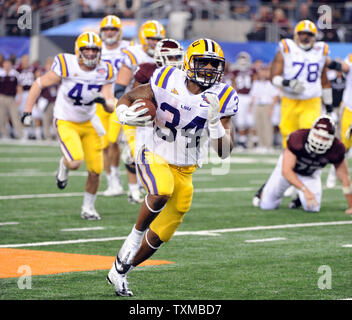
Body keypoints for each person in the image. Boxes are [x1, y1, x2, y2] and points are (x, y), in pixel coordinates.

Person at [106, 38, 239, 297]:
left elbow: (224, 152)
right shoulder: (167, 77)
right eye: (203, 62)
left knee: (162, 233)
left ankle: (121, 271)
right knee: (161, 190)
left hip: (186, 167)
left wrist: (214, 124)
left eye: (214, 64)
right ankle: (131, 240)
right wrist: (122, 114)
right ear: (189, 62)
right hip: (153, 152)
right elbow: (130, 96)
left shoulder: (224, 95)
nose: (210, 69)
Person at [21, 31, 116, 220]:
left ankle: (88, 208)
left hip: (89, 122)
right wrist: (27, 111)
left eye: (94, 50)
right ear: (78, 51)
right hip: (66, 120)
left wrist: (104, 102)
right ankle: (63, 165)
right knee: (74, 162)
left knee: (96, 171)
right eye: (86, 50)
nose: (90, 54)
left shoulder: (105, 69)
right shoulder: (67, 64)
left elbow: (110, 104)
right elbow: (39, 84)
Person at [110, 19, 166, 204]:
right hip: (136, 110)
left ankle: (142, 186)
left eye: (158, 38)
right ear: (143, 37)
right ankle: (134, 189)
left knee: (155, 153)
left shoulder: (165, 55)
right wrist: (128, 105)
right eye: (150, 38)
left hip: (158, 113)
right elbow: (120, 87)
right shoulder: (133, 54)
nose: (154, 42)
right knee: (136, 151)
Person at [252, 115, 352, 214]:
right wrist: (305, 190)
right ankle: (265, 188)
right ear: (311, 132)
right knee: (267, 205)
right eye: (317, 135)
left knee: (313, 207)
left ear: (332, 139)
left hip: (310, 174)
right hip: (288, 171)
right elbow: (286, 171)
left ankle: (299, 198)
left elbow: (345, 178)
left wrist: (351, 206)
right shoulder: (298, 138)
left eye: (324, 138)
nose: (319, 140)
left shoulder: (337, 148)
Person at [270, 20, 333, 149]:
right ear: (295, 35)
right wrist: (287, 83)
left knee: (309, 135)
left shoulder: (321, 50)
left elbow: (324, 80)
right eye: (302, 34)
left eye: (309, 34)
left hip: (311, 100)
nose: (305, 37)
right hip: (290, 100)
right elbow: (273, 77)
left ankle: (306, 166)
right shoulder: (286, 48)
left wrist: (329, 108)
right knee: (288, 137)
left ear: (315, 37)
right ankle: (287, 164)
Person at [97, 15, 131, 197]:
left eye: (113, 29)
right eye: (107, 29)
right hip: (99, 101)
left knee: (114, 142)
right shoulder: (94, 48)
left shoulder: (129, 48)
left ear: (119, 32)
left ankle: (130, 180)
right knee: (103, 145)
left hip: (120, 100)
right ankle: (112, 182)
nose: (109, 32)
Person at [231, 51, 257, 149]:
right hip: (240, 96)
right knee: (241, 120)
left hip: (250, 96)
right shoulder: (235, 71)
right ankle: (242, 141)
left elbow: (255, 83)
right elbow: (233, 84)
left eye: (244, 58)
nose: (242, 61)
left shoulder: (252, 71)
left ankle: (254, 141)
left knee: (251, 119)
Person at [0, 59, 23, 139]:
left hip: (11, 98)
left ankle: (21, 135)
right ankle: (4, 134)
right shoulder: (1, 73)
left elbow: (19, 86)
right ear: (3, 65)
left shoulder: (15, 74)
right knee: (1, 117)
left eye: (8, 64)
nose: (7, 66)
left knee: (15, 117)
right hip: (1, 97)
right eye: (5, 64)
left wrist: (19, 97)